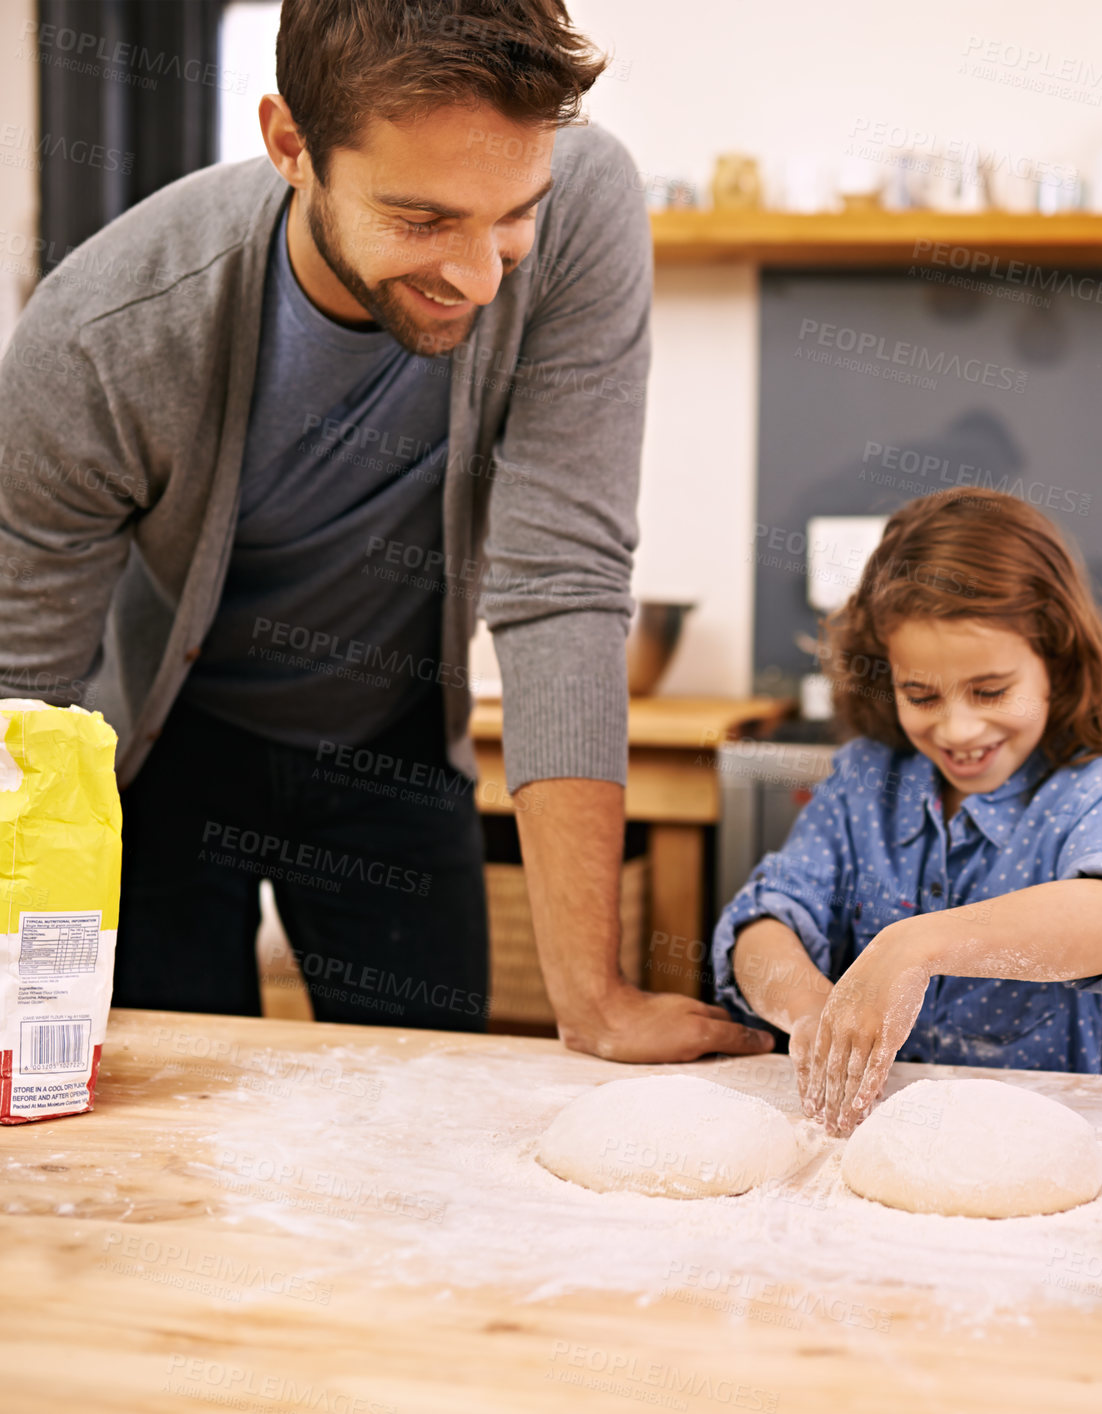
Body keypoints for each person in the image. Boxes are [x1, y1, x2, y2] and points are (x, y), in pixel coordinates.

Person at [0, 0, 769, 1063]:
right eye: (421, 221)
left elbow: (562, 578)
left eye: (512, 215)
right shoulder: (99, 340)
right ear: (290, 146)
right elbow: (21, 694)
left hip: (395, 746)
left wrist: (592, 995)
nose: (483, 276)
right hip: (165, 760)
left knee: (426, 1120)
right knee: (170, 1115)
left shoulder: (585, 201)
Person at [711, 488, 1102, 1134]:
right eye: (921, 694)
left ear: (1054, 662)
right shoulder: (866, 782)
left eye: (990, 690)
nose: (958, 728)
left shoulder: (1091, 793)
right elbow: (760, 926)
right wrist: (813, 1017)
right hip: (868, 1153)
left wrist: (916, 945)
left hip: (1034, 1154)